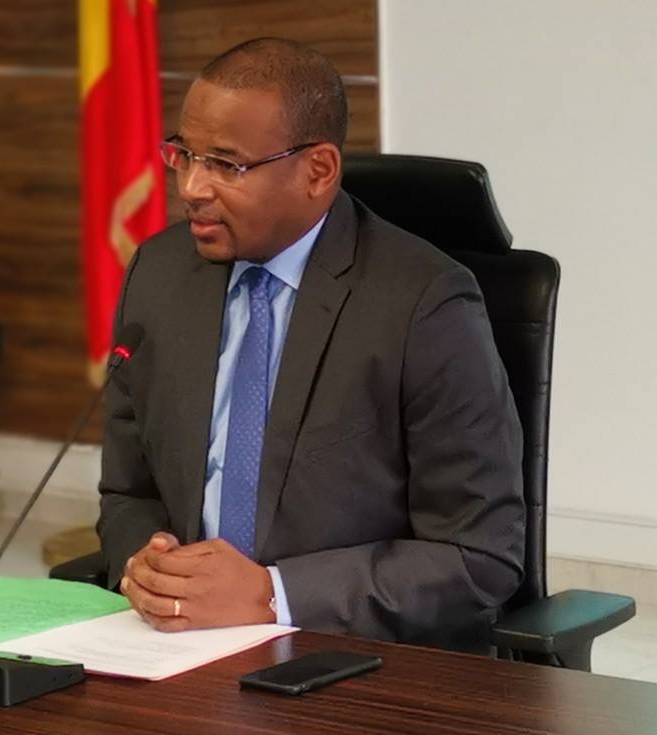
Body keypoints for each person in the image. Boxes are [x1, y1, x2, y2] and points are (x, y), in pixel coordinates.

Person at [97, 37, 526, 652]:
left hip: (353, 653)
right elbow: (129, 492)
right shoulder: (160, 274)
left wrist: (272, 594)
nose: (191, 187)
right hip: (179, 646)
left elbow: (478, 557)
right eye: (184, 155)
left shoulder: (423, 303)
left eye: (225, 165)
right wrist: (148, 565)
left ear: (318, 171)